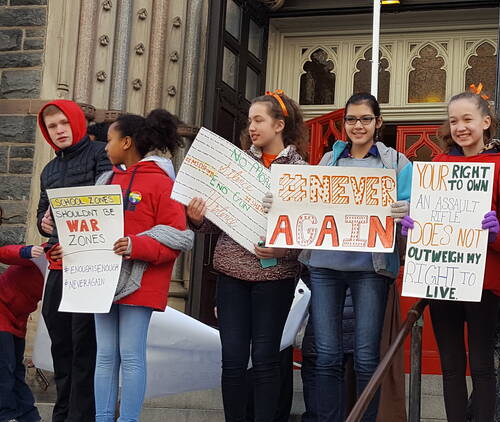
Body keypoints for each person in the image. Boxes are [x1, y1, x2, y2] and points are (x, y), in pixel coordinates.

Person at [265, 92, 412, 422]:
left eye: (365, 119)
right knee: (327, 355)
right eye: (351, 119)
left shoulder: (397, 164)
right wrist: (276, 205)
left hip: (370, 270)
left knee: (365, 357)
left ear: (378, 123)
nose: (357, 126)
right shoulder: (328, 162)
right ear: (344, 123)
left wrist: (407, 210)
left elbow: (414, 215)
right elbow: (303, 204)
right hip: (324, 267)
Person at [400, 87, 500, 422]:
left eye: (467, 119)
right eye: (454, 120)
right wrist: (415, 226)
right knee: (451, 366)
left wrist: (498, 234)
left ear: (486, 122)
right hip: (443, 278)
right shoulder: (439, 165)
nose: (460, 127)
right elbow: (428, 218)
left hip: (483, 280)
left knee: (482, 366)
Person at [187, 90, 307, 422]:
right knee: (233, 360)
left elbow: (309, 228)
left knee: (267, 359)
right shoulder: (235, 163)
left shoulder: (301, 170)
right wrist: (197, 218)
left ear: (279, 124)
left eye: (259, 120)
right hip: (231, 276)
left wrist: (285, 249)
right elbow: (214, 222)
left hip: (275, 278)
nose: (252, 127)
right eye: (250, 120)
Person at [75, 109, 193, 422]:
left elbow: (178, 238)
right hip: (102, 281)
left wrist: (136, 245)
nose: (104, 147)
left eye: (110, 140)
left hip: (141, 283)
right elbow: (89, 231)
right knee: (104, 356)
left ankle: (128, 420)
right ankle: (102, 418)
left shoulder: (163, 184)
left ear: (126, 142)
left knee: (130, 356)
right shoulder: (106, 180)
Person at [36, 99, 111, 422]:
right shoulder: (48, 169)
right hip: (57, 265)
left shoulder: (101, 154)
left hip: (91, 266)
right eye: (52, 127)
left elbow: (109, 200)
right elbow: (43, 211)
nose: (59, 131)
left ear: (77, 122)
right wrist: (44, 222)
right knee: (60, 344)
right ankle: (63, 413)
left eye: (64, 123)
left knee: (85, 348)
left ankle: (81, 416)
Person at [0, 242, 45, 422]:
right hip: (2, 309)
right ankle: (6, 414)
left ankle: (29, 415)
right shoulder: (44, 253)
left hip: (19, 318)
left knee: (16, 369)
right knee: (4, 367)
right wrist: (26, 251)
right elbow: (4, 253)